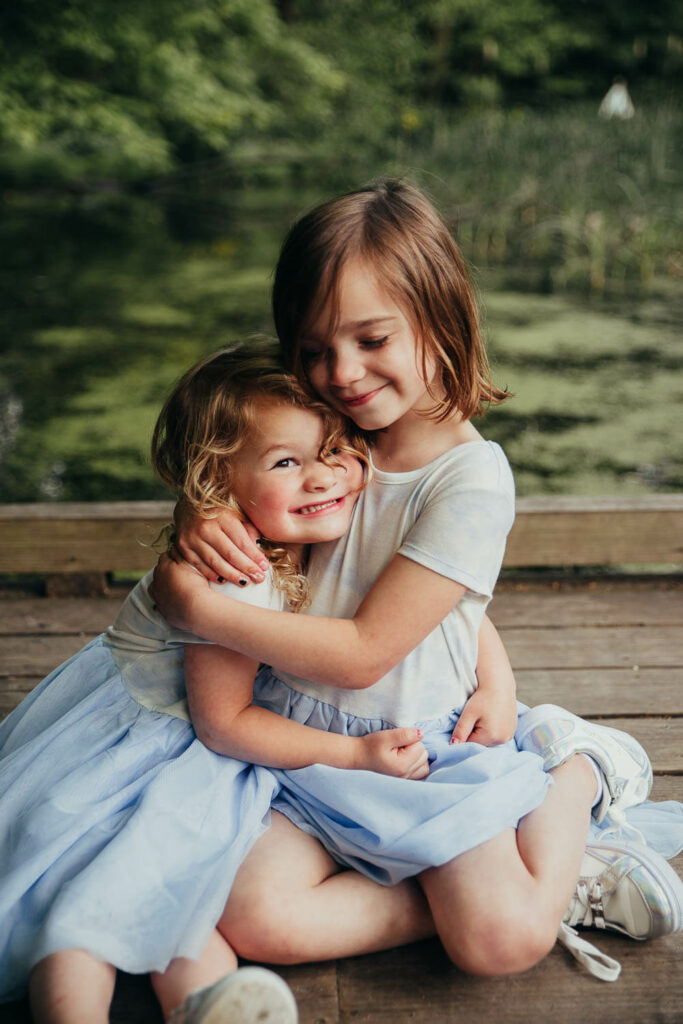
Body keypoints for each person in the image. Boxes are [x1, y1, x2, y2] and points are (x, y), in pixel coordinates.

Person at [156, 179, 683, 984]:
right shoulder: (331, 438)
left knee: (499, 944)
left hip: (423, 750)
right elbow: (415, 588)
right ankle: (450, 890)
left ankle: (573, 778)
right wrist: (203, 520)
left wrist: (200, 609)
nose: (341, 372)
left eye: (372, 339)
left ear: (442, 321)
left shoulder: (469, 479)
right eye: (313, 349)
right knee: (254, 918)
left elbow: (373, 645)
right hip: (309, 744)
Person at [0, 346, 439, 1024]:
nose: (322, 476)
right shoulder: (235, 568)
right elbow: (224, 721)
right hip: (151, 743)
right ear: (217, 482)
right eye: (286, 461)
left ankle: (210, 1004)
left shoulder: (312, 528)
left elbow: (446, 598)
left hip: (195, 740)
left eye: (335, 448)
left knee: (176, 886)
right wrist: (353, 755)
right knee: (89, 893)